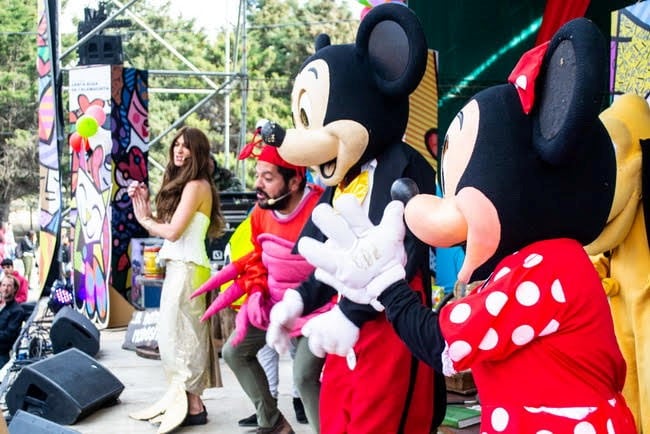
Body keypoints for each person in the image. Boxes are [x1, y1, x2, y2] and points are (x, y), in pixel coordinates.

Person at [191, 139, 329, 434]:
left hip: (317, 309)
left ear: (294, 182)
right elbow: (257, 259)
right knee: (234, 352)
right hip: (275, 304)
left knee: (304, 375)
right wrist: (256, 291)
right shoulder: (260, 213)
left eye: (268, 178)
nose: (259, 184)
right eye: (257, 175)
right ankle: (273, 422)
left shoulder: (321, 210)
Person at [127, 126, 226, 434]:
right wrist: (142, 206)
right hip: (182, 267)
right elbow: (167, 227)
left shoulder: (197, 185)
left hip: (188, 268)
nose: (179, 150)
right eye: (177, 145)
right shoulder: (189, 184)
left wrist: (145, 220)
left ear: (199, 154)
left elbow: (172, 232)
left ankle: (194, 406)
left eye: (187, 147)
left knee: (183, 338)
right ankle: (190, 403)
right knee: (175, 337)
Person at [0, 275, 24, 368]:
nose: (5, 289)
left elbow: (8, 336)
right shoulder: (2, 305)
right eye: (3, 285)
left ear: (15, 289)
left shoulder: (17, 311)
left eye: (9, 286)